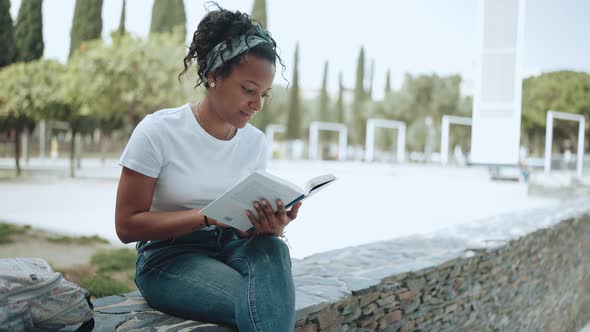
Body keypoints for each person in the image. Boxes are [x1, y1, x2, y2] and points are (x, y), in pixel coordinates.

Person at [114, 5, 302, 331]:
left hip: (232, 245)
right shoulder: (158, 131)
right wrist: (206, 215)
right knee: (263, 308)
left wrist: (269, 224)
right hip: (168, 257)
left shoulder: (255, 143)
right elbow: (126, 226)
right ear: (214, 76)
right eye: (248, 90)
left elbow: (243, 227)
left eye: (264, 95)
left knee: (273, 248)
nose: (256, 105)